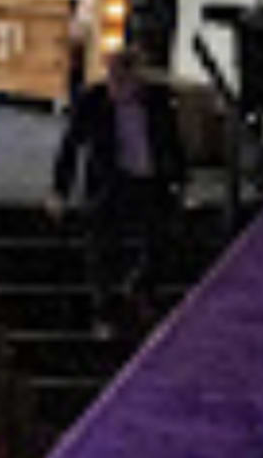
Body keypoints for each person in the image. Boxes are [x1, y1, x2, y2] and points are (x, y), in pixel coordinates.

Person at [50, 45, 188, 327]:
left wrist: (180, 180)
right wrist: (59, 190)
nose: (118, 86)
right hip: (111, 181)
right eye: (114, 79)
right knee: (101, 242)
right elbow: (71, 146)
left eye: (125, 79)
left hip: (150, 181)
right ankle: (103, 306)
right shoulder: (94, 101)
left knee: (163, 237)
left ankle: (140, 287)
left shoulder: (157, 101)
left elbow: (170, 142)